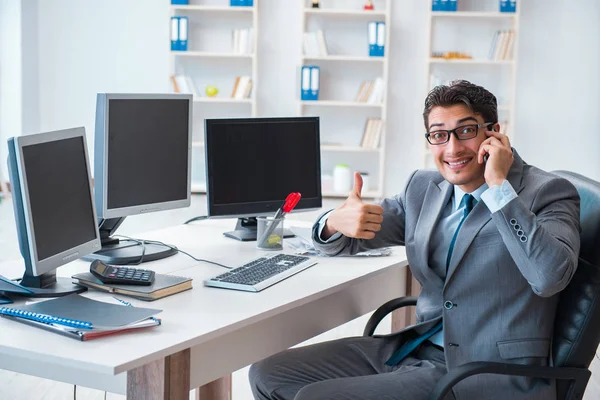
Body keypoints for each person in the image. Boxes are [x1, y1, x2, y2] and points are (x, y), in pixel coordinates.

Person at [248, 80, 581, 400]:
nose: (452, 148)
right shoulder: (422, 189)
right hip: (413, 349)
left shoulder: (546, 192)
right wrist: (334, 222)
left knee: (317, 397)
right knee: (268, 374)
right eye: (439, 135)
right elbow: (358, 233)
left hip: (485, 373)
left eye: (466, 131)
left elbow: (549, 277)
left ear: (494, 132)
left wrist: (498, 189)